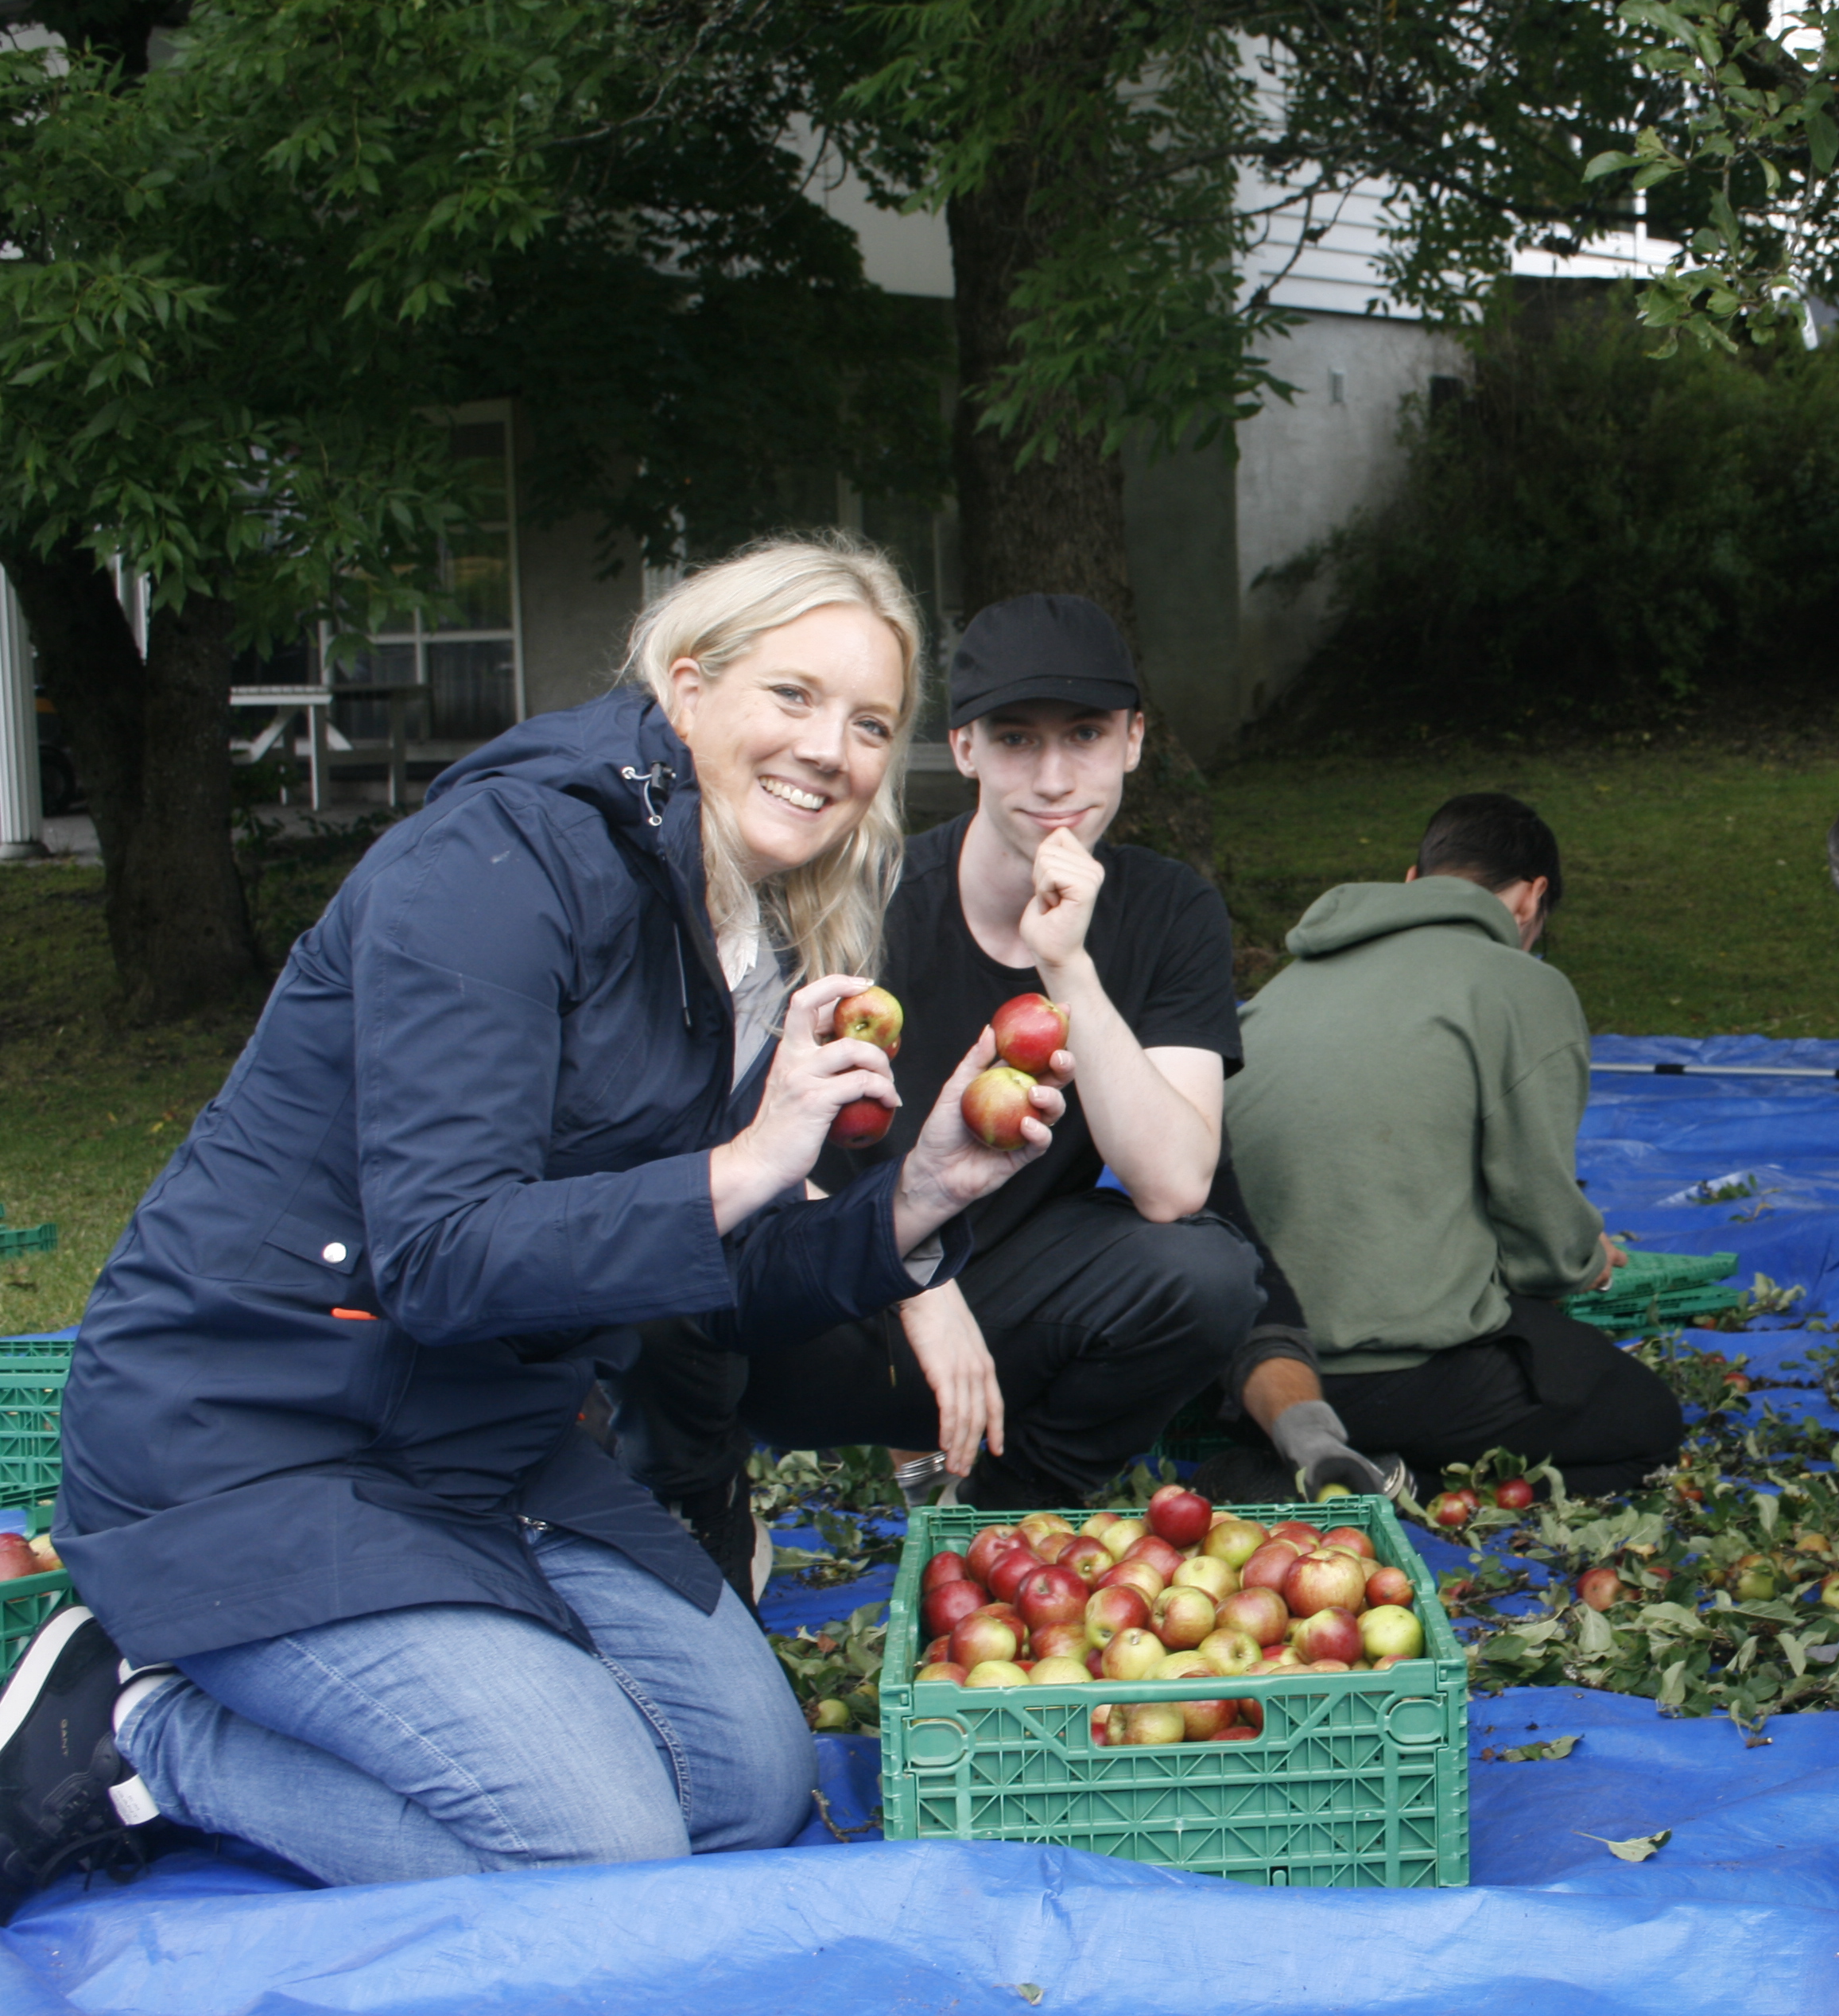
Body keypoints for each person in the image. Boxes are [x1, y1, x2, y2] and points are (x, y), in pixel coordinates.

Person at [0, 537, 1057, 1899]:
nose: (831, 749)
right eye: (791, 696)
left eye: (867, 722)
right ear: (686, 687)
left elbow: (699, 1271)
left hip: (478, 1441)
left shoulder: (752, 933)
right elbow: (440, 1258)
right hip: (252, 1430)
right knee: (591, 1848)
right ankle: (136, 1729)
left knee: (745, 1790)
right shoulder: (503, 858)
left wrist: (917, 1196)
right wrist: (745, 1162)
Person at [615, 594, 1266, 1553]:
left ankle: (1001, 1517)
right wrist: (916, 1279)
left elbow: (1172, 1184)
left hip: (1014, 1305)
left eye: (1084, 735)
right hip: (827, 1305)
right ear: (964, 750)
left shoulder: (1168, 911)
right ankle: (697, 1504)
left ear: (1132, 740)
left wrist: (1068, 968)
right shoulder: (858, 895)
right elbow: (732, 1141)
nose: (1052, 778)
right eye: (1015, 740)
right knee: (661, 1249)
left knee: (1207, 1272)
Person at [1220, 794, 1682, 1499]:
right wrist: (1587, 1259)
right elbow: (1542, 1245)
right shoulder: (1523, 985)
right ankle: (1395, 1478)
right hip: (1387, 1371)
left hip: (1248, 1364)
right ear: (1530, 900)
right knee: (1643, 1419)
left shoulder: (1284, 987)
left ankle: (1291, 1453)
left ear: (1414, 882)